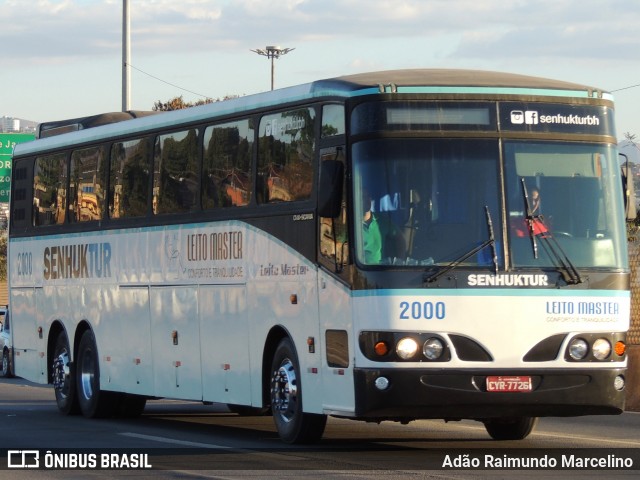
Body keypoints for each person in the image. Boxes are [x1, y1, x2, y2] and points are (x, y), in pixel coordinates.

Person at [362, 190, 382, 264]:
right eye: (362, 197)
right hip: (363, 273)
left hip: (385, 271)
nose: (366, 199)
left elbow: (400, 240)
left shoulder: (382, 221)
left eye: (367, 196)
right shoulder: (353, 226)